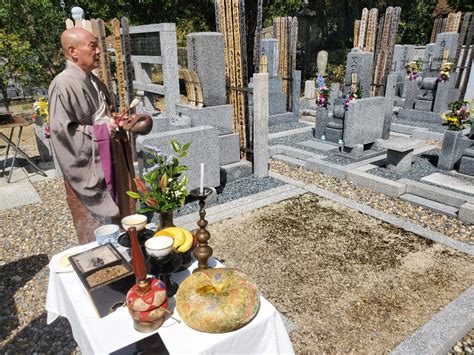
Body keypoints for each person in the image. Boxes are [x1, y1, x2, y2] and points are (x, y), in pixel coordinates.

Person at [48, 28, 136, 244]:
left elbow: (103, 116)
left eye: (98, 45)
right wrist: (101, 132)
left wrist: (118, 121)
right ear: (72, 51)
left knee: (119, 217)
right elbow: (63, 132)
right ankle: (102, 264)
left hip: (108, 156)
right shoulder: (63, 83)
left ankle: (122, 252)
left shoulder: (93, 80)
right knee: (97, 230)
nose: (99, 51)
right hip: (91, 164)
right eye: (93, 45)